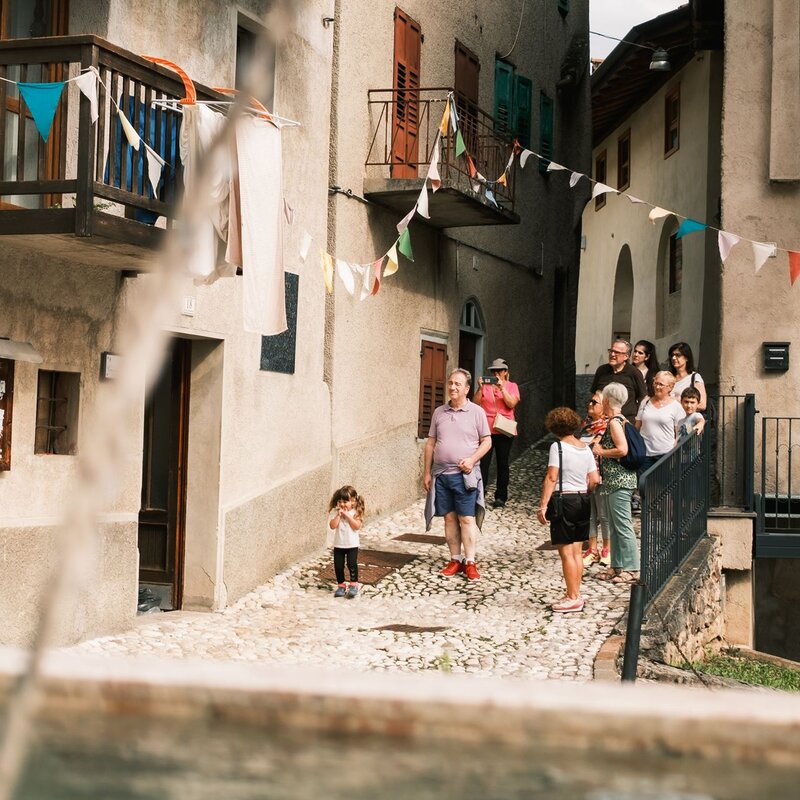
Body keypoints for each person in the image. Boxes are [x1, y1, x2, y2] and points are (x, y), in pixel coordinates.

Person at [424, 368, 492, 581]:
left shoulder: (477, 412)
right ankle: (455, 559)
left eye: (458, 384)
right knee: (449, 519)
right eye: (451, 383)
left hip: (465, 476)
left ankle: (470, 562)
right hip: (441, 475)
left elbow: (487, 441)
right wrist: (426, 472)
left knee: (466, 518)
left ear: (467, 389)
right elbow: (430, 443)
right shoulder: (439, 412)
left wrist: (472, 460)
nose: (452, 387)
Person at [537, 407, 599, 613]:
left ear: (554, 427)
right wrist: (585, 493)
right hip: (583, 499)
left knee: (566, 553)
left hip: (565, 500)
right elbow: (594, 480)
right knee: (576, 551)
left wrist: (543, 505)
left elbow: (552, 476)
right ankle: (575, 592)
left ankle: (572, 597)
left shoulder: (558, 447)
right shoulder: (585, 447)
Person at [591, 383, 640, 584]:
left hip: (620, 480)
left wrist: (601, 451)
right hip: (615, 481)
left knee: (622, 525)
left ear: (608, 400)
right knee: (614, 526)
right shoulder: (619, 420)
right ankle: (617, 566)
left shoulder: (614, 423)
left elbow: (622, 449)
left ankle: (632, 568)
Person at [475, 357, 520, 509]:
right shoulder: (486, 387)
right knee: (483, 462)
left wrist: (502, 389)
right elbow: (475, 403)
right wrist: (480, 388)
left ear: (506, 372)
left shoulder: (512, 386)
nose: (495, 373)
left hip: (504, 429)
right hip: (487, 430)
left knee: (502, 463)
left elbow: (511, 403)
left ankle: (500, 497)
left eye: (499, 370)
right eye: (493, 371)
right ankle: (480, 493)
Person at [578, 390, 610, 568]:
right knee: (590, 515)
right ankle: (592, 548)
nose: (590, 405)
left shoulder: (606, 426)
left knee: (603, 514)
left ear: (604, 407)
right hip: (585, 473)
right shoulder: (586, 425)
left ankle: (607, 549)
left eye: (594, 402)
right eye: (590, 402)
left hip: (600, 473)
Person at [635, 371, 684, 473]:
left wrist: (674, 453)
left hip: (665, 454)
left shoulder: (676, 406)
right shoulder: (645, 402)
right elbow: (637, 426)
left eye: (661, 384)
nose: (657, 387)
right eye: (655, 383)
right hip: (645, 454)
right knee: (645, 487)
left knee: (664, 487)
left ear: (670, 387)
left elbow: (679, 433)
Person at [591, 338, 647, 423]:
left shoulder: (634, 373)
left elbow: (642, 398)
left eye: (617, 352)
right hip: (602, 422)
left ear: (626, 356)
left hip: (625, 421)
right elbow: (594, 394)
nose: (612, 354)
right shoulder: (601, 370)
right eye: (611, 351)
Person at [327, 485, 365, 598]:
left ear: (352, 501)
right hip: (339, 544)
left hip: (352, 545)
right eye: (340, 501)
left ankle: (354, 584)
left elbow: (357, 526)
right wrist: (338, 516)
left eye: (345, 501)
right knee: (338, 565)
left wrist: (348, 516)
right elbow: (332, 526)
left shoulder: (355, 512)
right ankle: (341, 585)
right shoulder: (336, 513)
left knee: (351, 564)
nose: (342, 504)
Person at [668, 341, 707, 412]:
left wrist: (679, 403)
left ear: (686, 358)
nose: (673, 358)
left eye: (678, 355)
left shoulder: (695, 378)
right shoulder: (668, 377)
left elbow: (702, 404)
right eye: (672, 355)